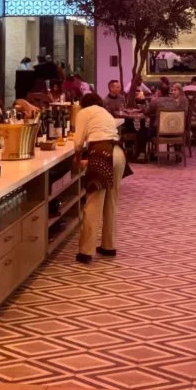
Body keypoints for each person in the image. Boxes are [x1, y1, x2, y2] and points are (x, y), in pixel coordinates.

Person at [74, 93, 127, 264]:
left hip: (101, 154)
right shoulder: (106, 113)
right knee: (111, 201)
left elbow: (78, 142)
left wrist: (78, 160)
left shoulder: (84, 112)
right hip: (118, 153)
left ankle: (86, 251)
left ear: (83, 104)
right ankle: (108, 246)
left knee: (93, 203)